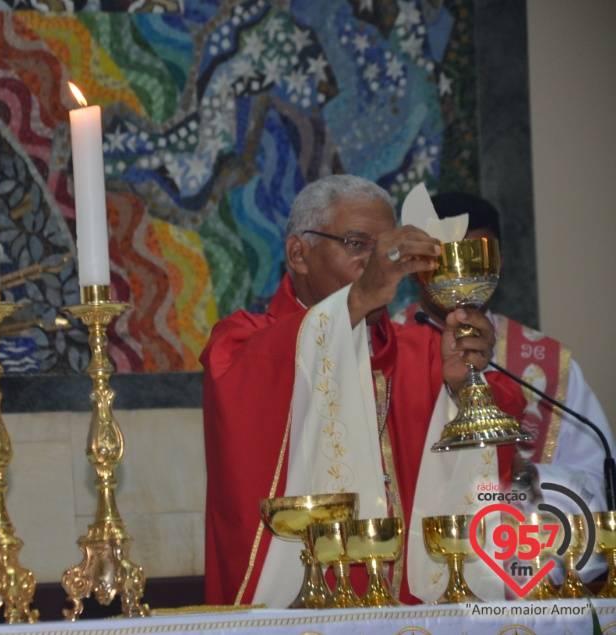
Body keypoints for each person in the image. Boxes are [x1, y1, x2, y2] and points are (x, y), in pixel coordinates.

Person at [201, 175, 527, 607]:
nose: (380, 263)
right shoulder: (243, 342)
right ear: (299, 254)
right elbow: (253, 393)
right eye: (358, 244)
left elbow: (496, 459)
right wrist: (360, 296)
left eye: (387, 248)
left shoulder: (424, 352)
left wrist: (461, 387)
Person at [393, 192, 613, 526]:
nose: (462, 274)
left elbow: (599, 489)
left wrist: (518, 474)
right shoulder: (379, 355)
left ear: (498, 263)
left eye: (476, 260)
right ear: (413, 269)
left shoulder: (547, 366)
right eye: (446, 260)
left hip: (517, 563)